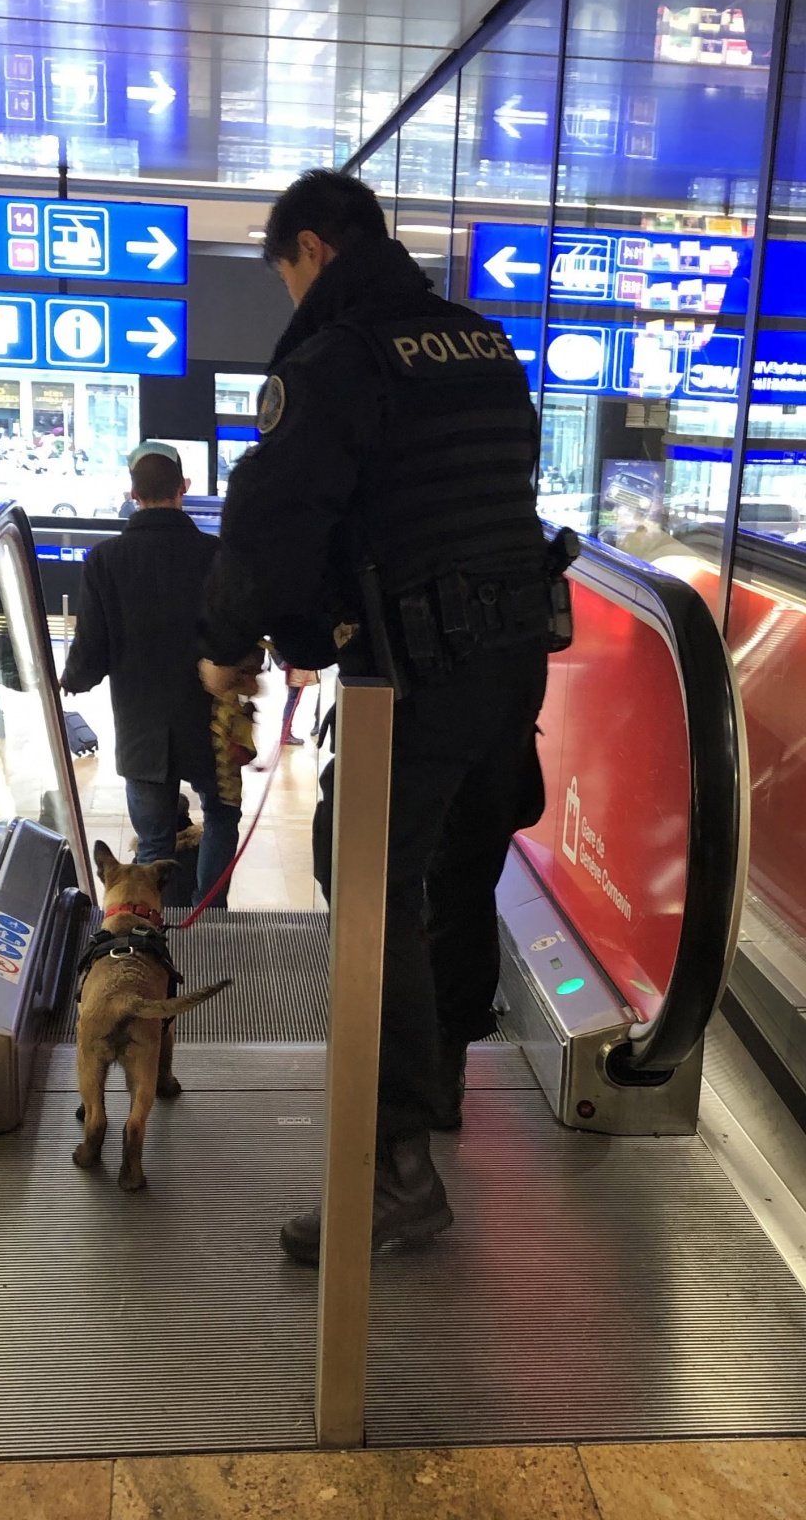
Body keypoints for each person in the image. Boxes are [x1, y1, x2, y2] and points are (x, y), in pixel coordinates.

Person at [199, 170, 550, 1264]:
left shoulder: (343, 355)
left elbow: (275, 509)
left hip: (428, 669)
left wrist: (233, 644)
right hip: (516, 657)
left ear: (311, 248)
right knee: (456, 865)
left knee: (361, 872)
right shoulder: (482, 342)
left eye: (287, 269)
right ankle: (438, 1080)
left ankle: (397, 1170)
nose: (291, 291)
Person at [63, 441, 242, 907]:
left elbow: (92, 653)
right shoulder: (215, 554)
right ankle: (210, 918)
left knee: (155, 841)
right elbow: (237, 631)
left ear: (133, 494)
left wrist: (70, 681)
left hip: (141, 726)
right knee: (221, 815)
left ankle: (157, 930)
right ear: (183, 488)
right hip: (209, 721)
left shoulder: (105, 559)